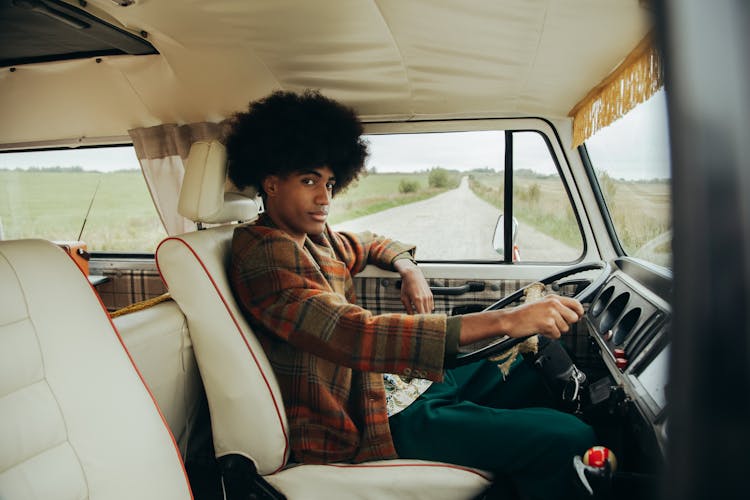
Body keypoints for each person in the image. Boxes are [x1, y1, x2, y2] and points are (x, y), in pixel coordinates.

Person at [227, 89, 595, 499]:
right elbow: (353, 334)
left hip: (390, 385)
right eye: (309, 181)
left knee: (529, 356)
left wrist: (409, 268)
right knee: (569, 435)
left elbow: (369, 242)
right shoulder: (263, 253)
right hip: (365, 418)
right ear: (271, 182)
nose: (324, 198)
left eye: (330, 183)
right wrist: (505, 320)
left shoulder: (312, 237)